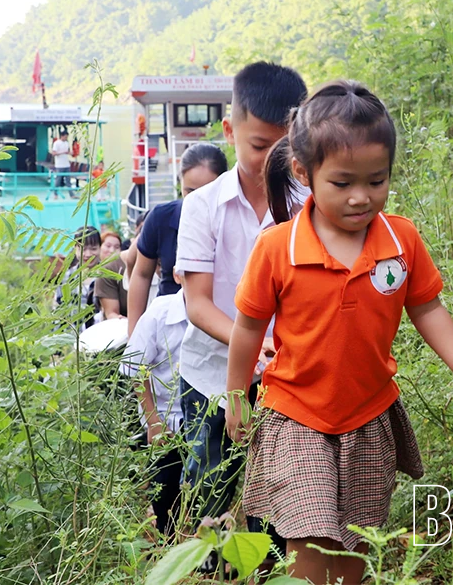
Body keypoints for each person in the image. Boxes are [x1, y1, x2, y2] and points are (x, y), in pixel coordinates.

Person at [224, 81, 453, 584]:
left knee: (354, 549)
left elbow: (428, 308)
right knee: (311, 539)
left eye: (376, 181)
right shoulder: (278, 248)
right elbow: (247, 328)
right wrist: (237, 395)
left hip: (368, 416)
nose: (361, 197)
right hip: (295, 414)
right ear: (304, 172)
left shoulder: (401, 239)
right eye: (343, 182)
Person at [174, 61, 307, 559]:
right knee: (209, 487)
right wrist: (256, 344)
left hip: (286, 379)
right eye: (258, 146)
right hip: (211, 377)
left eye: (284, 147)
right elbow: (198, 305)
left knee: (276, 503)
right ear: (230, 130)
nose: (272, 158)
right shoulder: (203, 205)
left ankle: (261, 566)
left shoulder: (310, 204)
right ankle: (212, 567)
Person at [127, 143, 228, 338]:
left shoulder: (234, 220)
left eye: (207, 191)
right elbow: (141, 274)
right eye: (190, 192)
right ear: (179, 183)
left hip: (220, 326)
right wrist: (134, 336)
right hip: (169, 327)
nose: (197, 200)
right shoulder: (161, 217)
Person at [119, 270, 187, 537]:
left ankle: (207, 557)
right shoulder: (160, 314)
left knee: (207, 484)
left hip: (204, 413)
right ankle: (167, 541)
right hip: (165, 414)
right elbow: (136, 368)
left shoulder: (221, 313)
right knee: (165, 487)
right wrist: (154, 421)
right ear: (178, 276)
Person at [54, 225, 102, 331]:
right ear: (75, 248)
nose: (88, 254)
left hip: (100, 340)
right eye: (83, 249)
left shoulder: (107, 276)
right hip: (73, 340)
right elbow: (58, 312)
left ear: (100, 248)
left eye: (93, 249)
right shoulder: (67, 277)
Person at [94, 230, 130, 321]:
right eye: (108, 246)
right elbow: (111, 313)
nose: (112, 250)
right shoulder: (102, 272)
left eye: (117, 247)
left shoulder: (122, 268)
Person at [51, 129, 73, 199]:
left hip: (66, 164)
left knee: (68, 180)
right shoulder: (56, 143)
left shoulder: (66, 143)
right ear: (62, 136)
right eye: (65, 137)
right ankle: (55, 194)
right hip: (59, 165)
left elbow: (68, 151)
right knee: (58, 180)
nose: (66, 138)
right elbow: (54, 153)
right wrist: (63, 152)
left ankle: (71, 194)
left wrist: (70, 153)